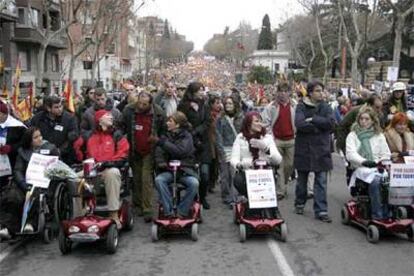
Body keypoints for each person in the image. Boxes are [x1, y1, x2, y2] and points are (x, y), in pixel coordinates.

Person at [74, 110, 130, 229]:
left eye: (111, 115)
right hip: (91, 169)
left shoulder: (117, 135)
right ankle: (79, 216)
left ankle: (113, 214)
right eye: (107, 115)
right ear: (99, 120)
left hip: (107, 168)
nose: (111, 116)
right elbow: (77, 149)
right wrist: (80, 154)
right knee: (74, 179)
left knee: (113, 173)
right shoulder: (88, 136)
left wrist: (108, 163)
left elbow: (123, 153)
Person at [294, 80, 335, 223]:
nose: (321, 93)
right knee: (302, 181)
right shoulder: (301, 106)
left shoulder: (326, 107)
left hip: (321, 149)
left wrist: (313, 119)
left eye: (322, 90)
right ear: (310, 93)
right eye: (317, 90)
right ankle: (299, 203)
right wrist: (318, 127)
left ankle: (321, 210)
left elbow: (331, 124)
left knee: (321, 181)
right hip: (304, 149)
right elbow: (299, 124)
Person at [122, 92, 166, 222]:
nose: (141, 106)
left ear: (150, 104)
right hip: (134, 149)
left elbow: (164, 131)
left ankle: (147, 208)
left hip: (150, 150)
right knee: (136, 178)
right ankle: (137, 204)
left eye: (144, 104)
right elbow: (122, 125)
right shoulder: (129, 110)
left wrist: (158, 141)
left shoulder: (158, 112)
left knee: (146, 179)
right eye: (139, 103)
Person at [346, 106, 391, 220]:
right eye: (361, 119)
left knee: (390, 181)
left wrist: (378, 162)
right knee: (376, 182)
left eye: (367, 119)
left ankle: (390, 212)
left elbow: (386, 153)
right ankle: (378, 215)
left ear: (372, 120)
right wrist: (365, 161)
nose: (364, 121)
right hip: (361, 168)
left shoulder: (379, 135)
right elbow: (350, 154)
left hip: (377, 167)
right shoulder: (353, 135)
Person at [11, 127, 59, 233]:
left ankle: (31, 223)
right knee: (13, 195)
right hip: (25, 182)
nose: (40, 138)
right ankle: (8, 226)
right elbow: (18, 170)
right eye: (35, 137)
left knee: (36, 195)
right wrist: (23, 184)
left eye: (40, 135)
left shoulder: (51, 148)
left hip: (43, 182)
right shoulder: (23, 152)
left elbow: (58, 167)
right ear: (29, 141)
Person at [154, 112, 199, 218]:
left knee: (194, 183)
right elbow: (159, 151)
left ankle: (182, 211)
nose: (167, 123)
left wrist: (164, 143)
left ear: (177, 124)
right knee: (159, 180)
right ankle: (168, 210)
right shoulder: (165, 135)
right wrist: (161, 162)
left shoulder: (187, 136)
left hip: (185, 171)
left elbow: (181, 151)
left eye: (170, 121)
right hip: (169, 170)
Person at [230, 112, 282, 198]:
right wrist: (240, 164)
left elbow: (278, 160)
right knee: (238, 181)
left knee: (270, 186)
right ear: (248, 123)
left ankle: (273, 209)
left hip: (264, 173)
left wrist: (266, 149)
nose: (260, 124)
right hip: (247, 172)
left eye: (261, 121)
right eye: (257, 121)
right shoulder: (240, 138)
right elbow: (234, 158)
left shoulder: (267, 138)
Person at [178, 82, 212, 209]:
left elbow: (208, 121)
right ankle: (190, 196)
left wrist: (197, 130)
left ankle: (202, 197)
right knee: (190, 173)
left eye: (202, 90)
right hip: (188, 143)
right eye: (199, 90)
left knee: (204, 174)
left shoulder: (205, 105)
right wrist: (190, 132)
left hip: (203, 143)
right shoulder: (183, 105)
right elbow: (180, 121)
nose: (201, 92)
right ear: (192, 92)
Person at [263, 82, 296, 200]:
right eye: (281, 91)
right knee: (280, 166)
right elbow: (265, 123)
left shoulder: (294, 106)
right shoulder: (271, 106)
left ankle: (284, 183)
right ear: (277, 93)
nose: (283, 94)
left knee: (290, 165)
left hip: (291, 140)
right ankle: (280, 191)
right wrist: (270, 136)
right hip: (277, 140)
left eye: (286, 91)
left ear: (289, 93)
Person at [30, 96, 79, 165]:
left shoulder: (69, 118)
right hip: (42, 156)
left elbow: (73, 136)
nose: (60, 109)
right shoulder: (37, 119)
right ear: (48, 108)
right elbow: (31, 134)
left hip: (64, 156)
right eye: (56, 107)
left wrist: (59, 151)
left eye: (60, 106)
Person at [216, 96, 244, 205]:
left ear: (235, 105)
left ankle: (236, 196)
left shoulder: (241, 117)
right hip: (225, 148)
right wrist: (220, 149)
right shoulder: (220, 118)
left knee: (235, 173)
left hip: (237, 148)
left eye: (230, 103)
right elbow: (218, 135)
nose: (228, 105)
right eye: (226, 103)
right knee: (225, 174)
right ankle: (226, 196)